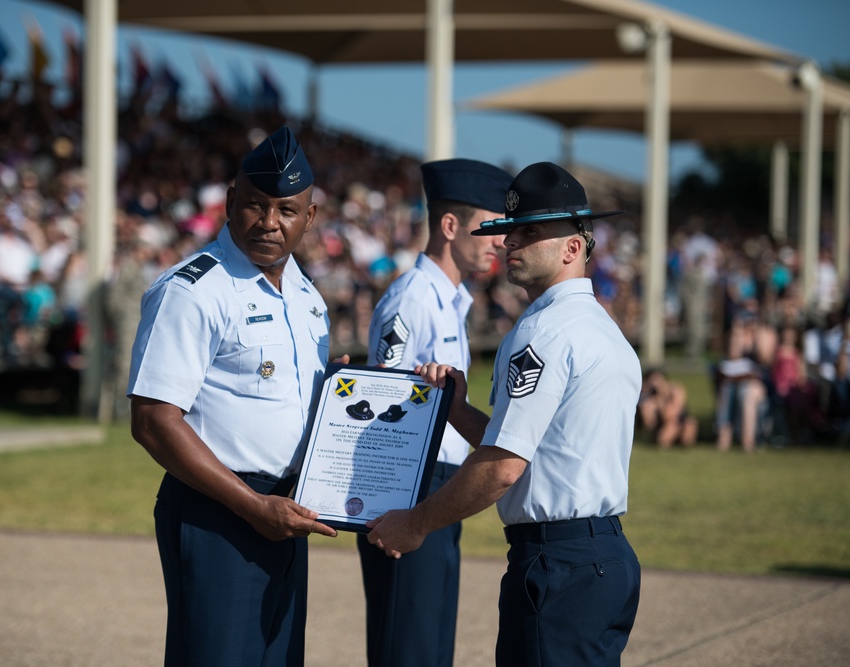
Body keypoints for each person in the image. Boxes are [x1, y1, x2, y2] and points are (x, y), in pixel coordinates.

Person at [367, 162, 642, 666]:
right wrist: (457, 410)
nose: (511, 243)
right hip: (602, 557)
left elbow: (504, 466)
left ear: (572, 247)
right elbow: (533, 448)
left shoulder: (543, 332)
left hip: (557, 562)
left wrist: (417, 523)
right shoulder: (601, 328)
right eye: (508, 232)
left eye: (529, 232)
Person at [127, 126, 338, 667]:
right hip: (219, 510)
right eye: (255, 205)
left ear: (309, 218)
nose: (269, 222)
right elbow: (152, 420)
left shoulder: (307, 296)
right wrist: (251, 506)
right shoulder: (194, 289)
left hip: (284, 510)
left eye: (287, 211)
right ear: (229, 204)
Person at [358, 158, 511, 667]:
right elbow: (379, 414)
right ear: (449, 226)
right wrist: (395, 510)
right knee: (408, 649)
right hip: (409, 489)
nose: (500, 242)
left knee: (429, 650)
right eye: (489, 228)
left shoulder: (448, 300)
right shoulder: (412, 300)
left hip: (441, 487)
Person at [637, 368, 699, 448]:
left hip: (679, 420)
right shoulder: (649, 398)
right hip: (663, 424)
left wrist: (661, 399)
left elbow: (670, 414)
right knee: (668, 431)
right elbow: (648, 423)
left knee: (688, 425)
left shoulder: (675, 391)